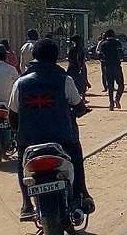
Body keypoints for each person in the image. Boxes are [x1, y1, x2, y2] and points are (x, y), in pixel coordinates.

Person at [8, 39, 94, 221]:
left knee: (21, 161)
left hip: (29, 140)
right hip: (62, 139)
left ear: (35, 57)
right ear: (56, 57)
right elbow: (78, 107)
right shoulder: (65, 80)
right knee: (76, 155)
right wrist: (79, 111)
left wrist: (20, 133)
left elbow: (13, 115)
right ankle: (81, 194)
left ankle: (26, 204)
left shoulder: (20, 83)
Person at [98, 29, 124, 111]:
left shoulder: (103, 44)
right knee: (121, 84)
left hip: (107, 67)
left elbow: (100, 56)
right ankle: (117, 99)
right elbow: (121, 54)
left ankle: (111, 103)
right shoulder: (117, 43)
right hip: (116, 66)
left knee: (110, 86)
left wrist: (104, 61)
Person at [66, 35, 89, 100]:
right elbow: (81, 60)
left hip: (72, 68)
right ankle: (82, 98)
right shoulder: (80, 49)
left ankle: (77, 98)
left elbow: (70, 59)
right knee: (82, 82)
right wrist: (81, 68)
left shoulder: (72, 49)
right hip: (79, 67)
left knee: (74, 83)